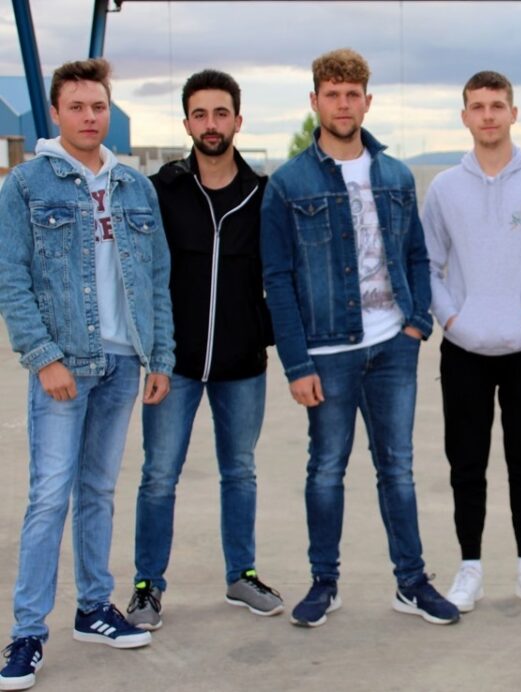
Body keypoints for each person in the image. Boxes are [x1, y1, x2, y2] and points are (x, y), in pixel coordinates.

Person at [261, 48, 458, 627]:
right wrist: (297, 364)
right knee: (326, 468)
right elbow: (277, 278)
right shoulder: (288, 183)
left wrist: (418, 321)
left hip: (393, 346)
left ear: (367, 101)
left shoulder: (394, 173)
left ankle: (412, 581)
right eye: (333, 93)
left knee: (397, 467)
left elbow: (416, 253)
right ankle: (325, 581)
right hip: (328, 350)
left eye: (353, 94)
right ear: (316, 100)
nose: (343, 104)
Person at [0, 58, 174, 691]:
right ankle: (26, 633)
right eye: (76, 106)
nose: (89, 116)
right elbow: (10, 278)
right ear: (55, 112)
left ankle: (93, 607)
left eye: (98, 106)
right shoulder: (25, 186)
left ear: (109, 109)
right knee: (49, 495)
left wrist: (161, 356)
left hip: (126, 360)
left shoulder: (135, 186)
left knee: (99, 489)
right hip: (65, 363)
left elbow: (156, 278)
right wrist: (42, 356)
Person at [125, 69, 281, 632]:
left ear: (238, 120)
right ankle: (147, 587)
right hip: (176, 365)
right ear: (186, 121)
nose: (211, 125)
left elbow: (279, 276)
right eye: (200, 114)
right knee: (159, 474)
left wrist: (270, 337)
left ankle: (242, 575)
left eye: (221, 114)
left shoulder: (263, 195)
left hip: (243, 366)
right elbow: (138, 273)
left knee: (239, 471)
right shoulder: (161, 190)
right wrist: (150, 351)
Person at [422, 70, 521, 613]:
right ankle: (469, 569)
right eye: (477, 106)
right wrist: (452, 320)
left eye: (497, 105)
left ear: (515, 113)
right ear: (464, 116)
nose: (488, 115)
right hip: (464, 350)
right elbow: (428, 264)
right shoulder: (445, 188)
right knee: (465, 463)